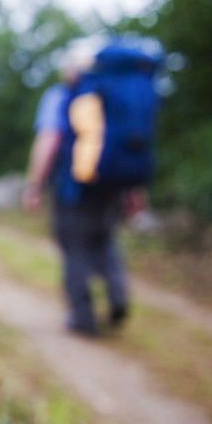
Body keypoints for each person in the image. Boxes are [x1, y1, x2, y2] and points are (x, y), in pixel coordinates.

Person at [24, 41, 146, 336]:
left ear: (70, 68)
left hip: (73, 188)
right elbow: (128, 146)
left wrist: (34, 186)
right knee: (106, 240)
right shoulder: (114, 96)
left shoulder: (62, 96)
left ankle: (84, 317)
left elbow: (49, 141)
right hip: (111, 187)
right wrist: (134, 190)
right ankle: (118, 298)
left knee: (75, 247)